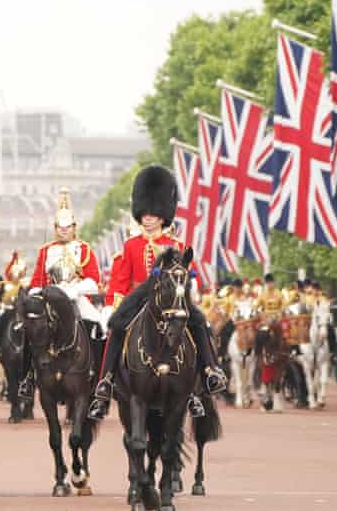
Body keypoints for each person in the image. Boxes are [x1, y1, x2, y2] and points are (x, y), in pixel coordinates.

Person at [89, 165, 227, 421]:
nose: (148, 218)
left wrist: (192, 287)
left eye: (153, 214)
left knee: (200, 324)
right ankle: (106, 382)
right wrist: (112, 305)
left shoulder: (177, 245)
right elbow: (120, 280)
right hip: (139, 298)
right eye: (144, 213)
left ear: (163, 216)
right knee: (116, 327)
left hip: (172, 299)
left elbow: (191, 274)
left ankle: (209, 373)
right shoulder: (131, 245)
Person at [19, 188, 104, 400]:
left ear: (74, 228)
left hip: (76, 297)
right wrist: (40, 292)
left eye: (67, 227)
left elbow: (94, 280)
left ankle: (96, 375)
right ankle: (27, 377)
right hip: (50, 298)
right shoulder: (46, 250)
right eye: (60, 227)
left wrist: (74, 290)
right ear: (55, 228)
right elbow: (37, 280)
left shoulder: (84, 249)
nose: (63, 231)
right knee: (30, 328)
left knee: (98, 326)